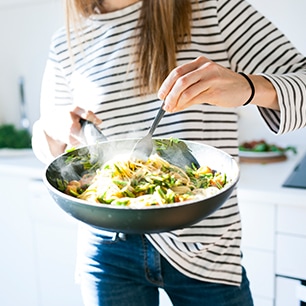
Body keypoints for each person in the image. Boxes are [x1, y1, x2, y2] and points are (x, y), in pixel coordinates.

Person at [32, 0, 306, 305]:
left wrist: (248, 86)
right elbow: (52, 152)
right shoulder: (66, 42)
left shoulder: (215, 10)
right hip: (107, 247)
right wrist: (48, 129)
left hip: (206, 248)